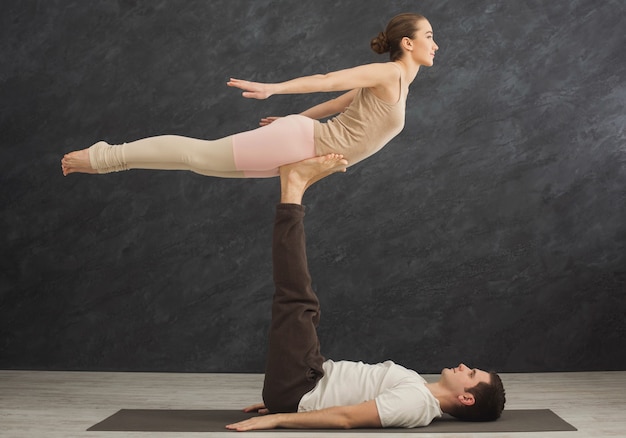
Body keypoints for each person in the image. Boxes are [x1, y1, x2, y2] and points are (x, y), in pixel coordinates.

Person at [225, 154, 506, 431]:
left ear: (466, 398)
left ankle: (293, 187)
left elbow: (346, 418)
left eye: (470, 374)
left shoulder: (415, 404)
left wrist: (280, 416)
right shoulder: (418, 389)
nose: (462, 365)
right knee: (301, 302)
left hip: (300, 385)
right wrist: (282, 404)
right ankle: (294, 186)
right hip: (303, 382)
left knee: (297, 298)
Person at [61, 13, 439, 178]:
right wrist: (275, 89)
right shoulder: (388, 73)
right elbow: (328, 79)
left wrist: (299, 120)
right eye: (429, 37)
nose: (435, 45)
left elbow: (341, 104)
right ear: (406, 43)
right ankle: (103, 156)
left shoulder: (399, 84)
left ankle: (108, 160)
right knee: (197, 153)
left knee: (198, 163)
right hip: (301, 145)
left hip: (302, 146)